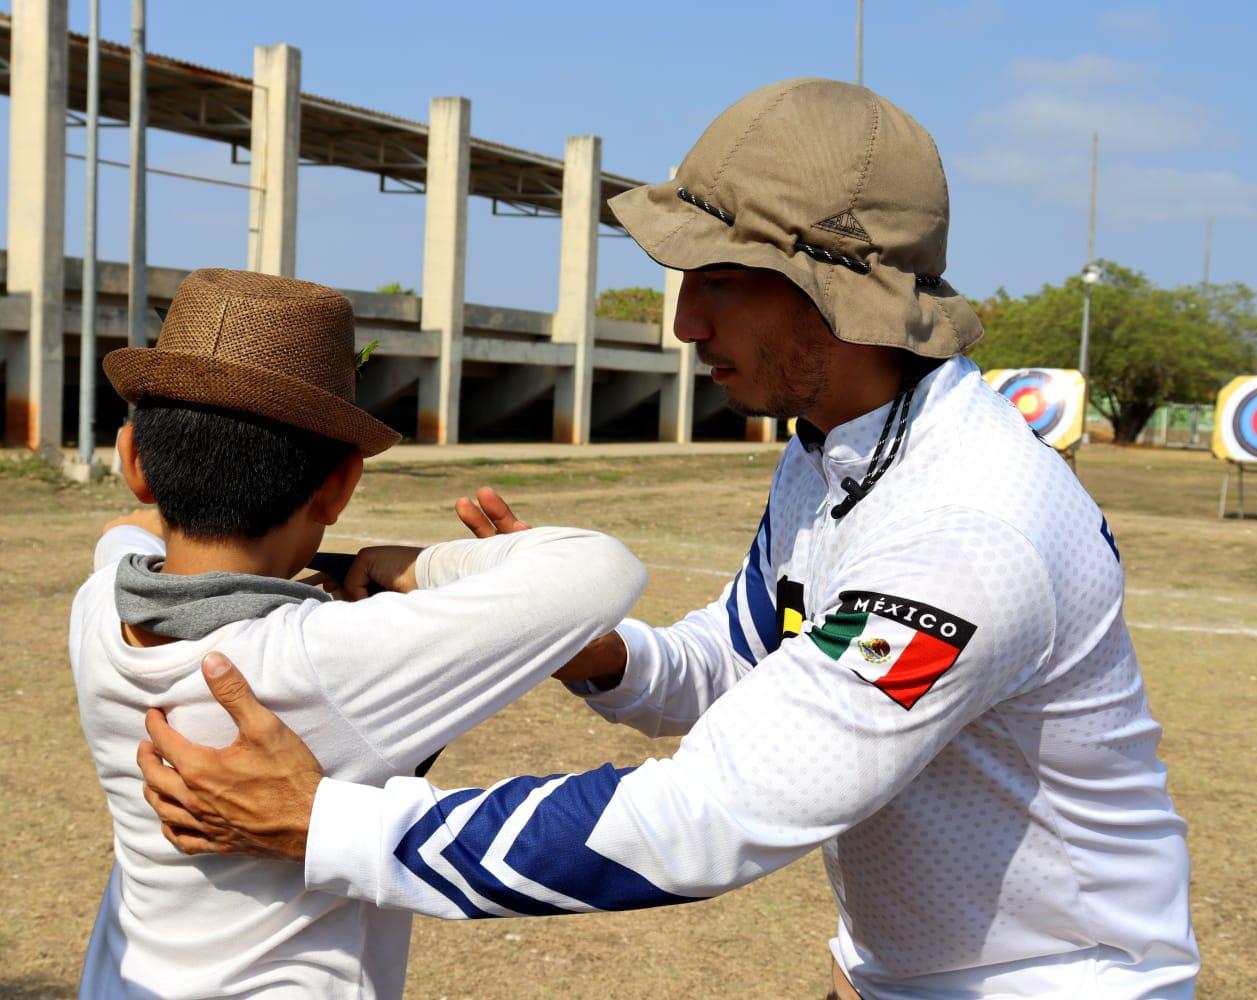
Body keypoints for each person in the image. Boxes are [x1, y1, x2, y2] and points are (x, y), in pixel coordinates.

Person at [137, 83, 1200, 998]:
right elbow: (735, 666)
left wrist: (331, 827)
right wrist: (565, 638)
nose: (685, 323)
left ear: (840, 293)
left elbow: (708, 812)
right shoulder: (835, 452)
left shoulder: (966, 532)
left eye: (720, 280)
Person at [72, 268, 646, 998]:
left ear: (134, 464)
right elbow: (601, 568)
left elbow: (124, 536)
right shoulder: (318, 659)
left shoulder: (97, 605)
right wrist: (416, 569)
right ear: (342, 485)